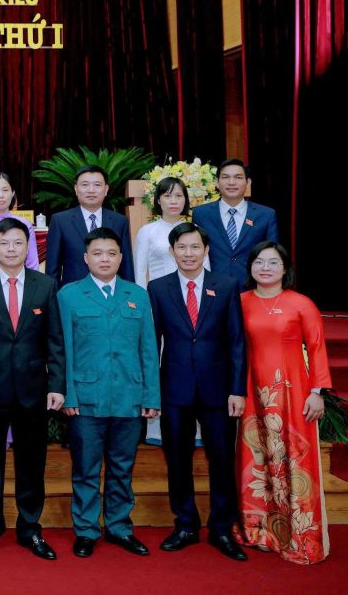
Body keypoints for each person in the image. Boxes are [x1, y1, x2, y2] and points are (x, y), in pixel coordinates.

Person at [0, 218, 65, 561]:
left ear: (28, 247)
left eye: (18, 243)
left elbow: (55, 339)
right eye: (4, 243)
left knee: (31, 462)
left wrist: (57, 384)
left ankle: (30, 528)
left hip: (34, 388)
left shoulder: (45, 285)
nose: (11, 249)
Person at [147, 223, 247, 561]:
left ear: (206, 250)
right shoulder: (158, 288)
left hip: (218, 390)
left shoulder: (227, 285)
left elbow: (237, 342)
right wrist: (152, 391)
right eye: (181, 247)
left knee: (221, 459)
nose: (188, 254)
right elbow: (152, 343)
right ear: (172, 251)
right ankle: (186, 524)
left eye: (194, 247)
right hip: (174, 388)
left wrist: (237, 389)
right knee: (178, 460)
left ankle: (221, 528)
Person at [58, 227, 160, 559]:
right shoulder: (69, 295)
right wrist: (68, 395)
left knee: (121, 468)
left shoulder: (137, 295)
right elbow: (63, 350)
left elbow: (148, 348)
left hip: (129, 397)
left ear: (120, 258)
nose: (105, 259)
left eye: (112, 253)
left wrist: (151, 396)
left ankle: (119, 527)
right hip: (86, 399)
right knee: (86, 469)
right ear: (86, 258)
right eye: (98, 253)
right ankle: (86, 530)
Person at [235, 241, 331, 565]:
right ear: (250, 266)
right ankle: (261, 531)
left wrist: (317, 392)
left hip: (293, 392)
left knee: (294, 461)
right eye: (259, 262)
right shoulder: (240, 302)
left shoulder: (301, 304)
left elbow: (316, 348)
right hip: (252, 392)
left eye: (273, 262)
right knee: (257, 459)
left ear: (285, 269)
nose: (265, 268)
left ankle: (300, 535)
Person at [192, 160, 279, 290]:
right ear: (217, 182)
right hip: (212, 288)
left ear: (248, 182)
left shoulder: (265, 215)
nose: (231, 182)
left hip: (253, 288)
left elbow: (273, 255)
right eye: (225, 177)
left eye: (238, 177)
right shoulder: (201, 214)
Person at [45, 165, 134, 286]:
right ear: (76, 189)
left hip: (111, 292)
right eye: (85, 185)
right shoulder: (60, 221)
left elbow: (126, 266)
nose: (91, 190)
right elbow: (52, 269)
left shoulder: (120, 221)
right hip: (74, 293)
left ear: (106, 189)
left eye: (97, 185)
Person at [133, 176, 205, 288]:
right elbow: (139, 272)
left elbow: (205, 266)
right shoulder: (146, 231)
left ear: (185, 199)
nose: (173, 201)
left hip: (191, 292)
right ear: (158, 200)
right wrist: (142, 297)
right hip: (159, 293)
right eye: (167, 196)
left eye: (178, 196)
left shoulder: (195, 230)